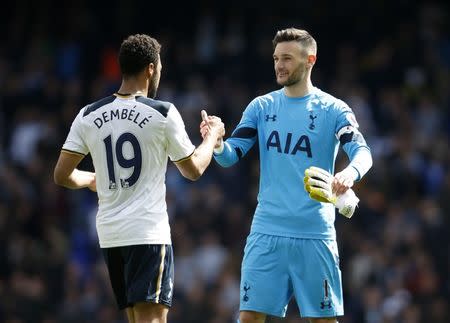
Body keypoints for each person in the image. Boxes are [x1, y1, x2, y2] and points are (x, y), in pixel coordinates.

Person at [201, 28, 372, 323]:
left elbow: (363, 152)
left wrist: (349, 173)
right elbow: (232, 156)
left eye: (288, 58)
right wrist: (216, 144)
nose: (279, 65)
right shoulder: (261, 107)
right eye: (276, 58)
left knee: (323, 320)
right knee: (249, 317)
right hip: (267, 231)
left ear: (310, 60)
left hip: (315, 233)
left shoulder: (334, 109)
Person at [54, 34, 224, 323]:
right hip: (147, 232)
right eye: (159, 66)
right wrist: (213, 137)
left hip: (110, 235)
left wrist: (92, 179)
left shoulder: (88, 114)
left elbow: (62, 175)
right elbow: (193, 170)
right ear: (150, 68)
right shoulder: (162, 113)